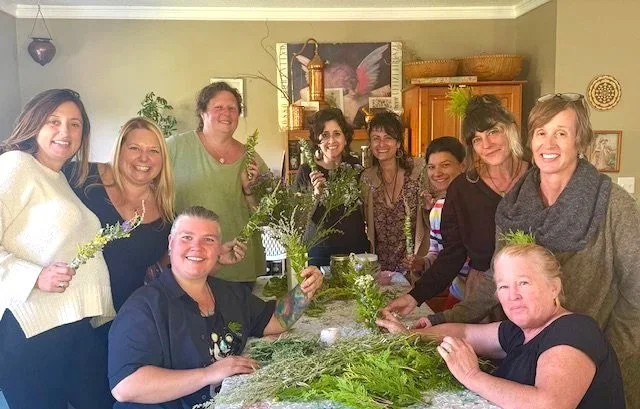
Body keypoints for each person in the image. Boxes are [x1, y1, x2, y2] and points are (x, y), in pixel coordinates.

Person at [424, 92, 640, 406]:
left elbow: (636, 294)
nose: (548, 144)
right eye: (541, 133)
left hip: (596, 363)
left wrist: (607, 352)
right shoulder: (513, 205)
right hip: (526, 357)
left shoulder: (613, 205)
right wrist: (443, 318)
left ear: (580, 141)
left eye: (561, 133)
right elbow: (496, 278)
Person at [108, 206, 323, 408]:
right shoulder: (143, 307)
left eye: (208, 240)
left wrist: (304, 292)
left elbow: (276, 320)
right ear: (171, 243)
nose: (197, 247)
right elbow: (126, 386)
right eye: (187, 237)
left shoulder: (230, 293)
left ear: (218, 249)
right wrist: (209, 374)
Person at [377, 242, 625, 409]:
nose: (512, 295)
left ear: (554, 287)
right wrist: (409, 335)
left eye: (524, 283)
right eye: (504, 286)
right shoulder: (519, 331)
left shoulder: (576, 330)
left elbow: (549, 404)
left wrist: (472, 376)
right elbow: (464, 332)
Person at [0, 89, 115, 409]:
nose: (65, 131)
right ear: (33, 124)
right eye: (54, 121)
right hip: (31, 329)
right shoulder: (15, 165)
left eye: (75, 124)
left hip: (70, 324)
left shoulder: (59, 178)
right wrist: (35, 276)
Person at [384, 95, 528, 316]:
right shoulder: (463, 189)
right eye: (477, 139)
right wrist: (415, 296)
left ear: (510, 129)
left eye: (493, 132)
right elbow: (452, 254)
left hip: (538, 292)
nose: (486, 145)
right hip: (483, 300)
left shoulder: (538, 177)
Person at [167, 81, 267, 285]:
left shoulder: (251, 158)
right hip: (192, 262)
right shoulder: (175, 147)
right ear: (202, 112)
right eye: (218, 107)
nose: (226, 113)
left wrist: (250, 192)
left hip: (239, 262)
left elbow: (265, 216)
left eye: (232, 108)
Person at [293, 107, 369, 267]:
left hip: (355, 252)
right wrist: (315, 195)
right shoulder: (306, 171)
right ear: (317, 140)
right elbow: (297, 221)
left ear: (345, 138)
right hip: (319, 254)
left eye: (337, 134)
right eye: (325, 135)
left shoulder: (355, 167)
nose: (331, 141)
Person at [403, 136, 468, 308]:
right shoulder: (437, 209)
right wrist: (422, 262)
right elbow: (439, 254)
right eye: (432, 167)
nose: (437, 173)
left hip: (488, 297)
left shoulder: (476, 205)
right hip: (459, 293)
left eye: (445, 165)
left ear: (462, 166)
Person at [360, 111, 428, 273]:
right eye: (376, 138)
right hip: (380, 271)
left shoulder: (419, 172)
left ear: (398, 143)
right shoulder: (367, 179)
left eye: (388, 138)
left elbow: (436, 208)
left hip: (413, 267)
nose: (381, 144)